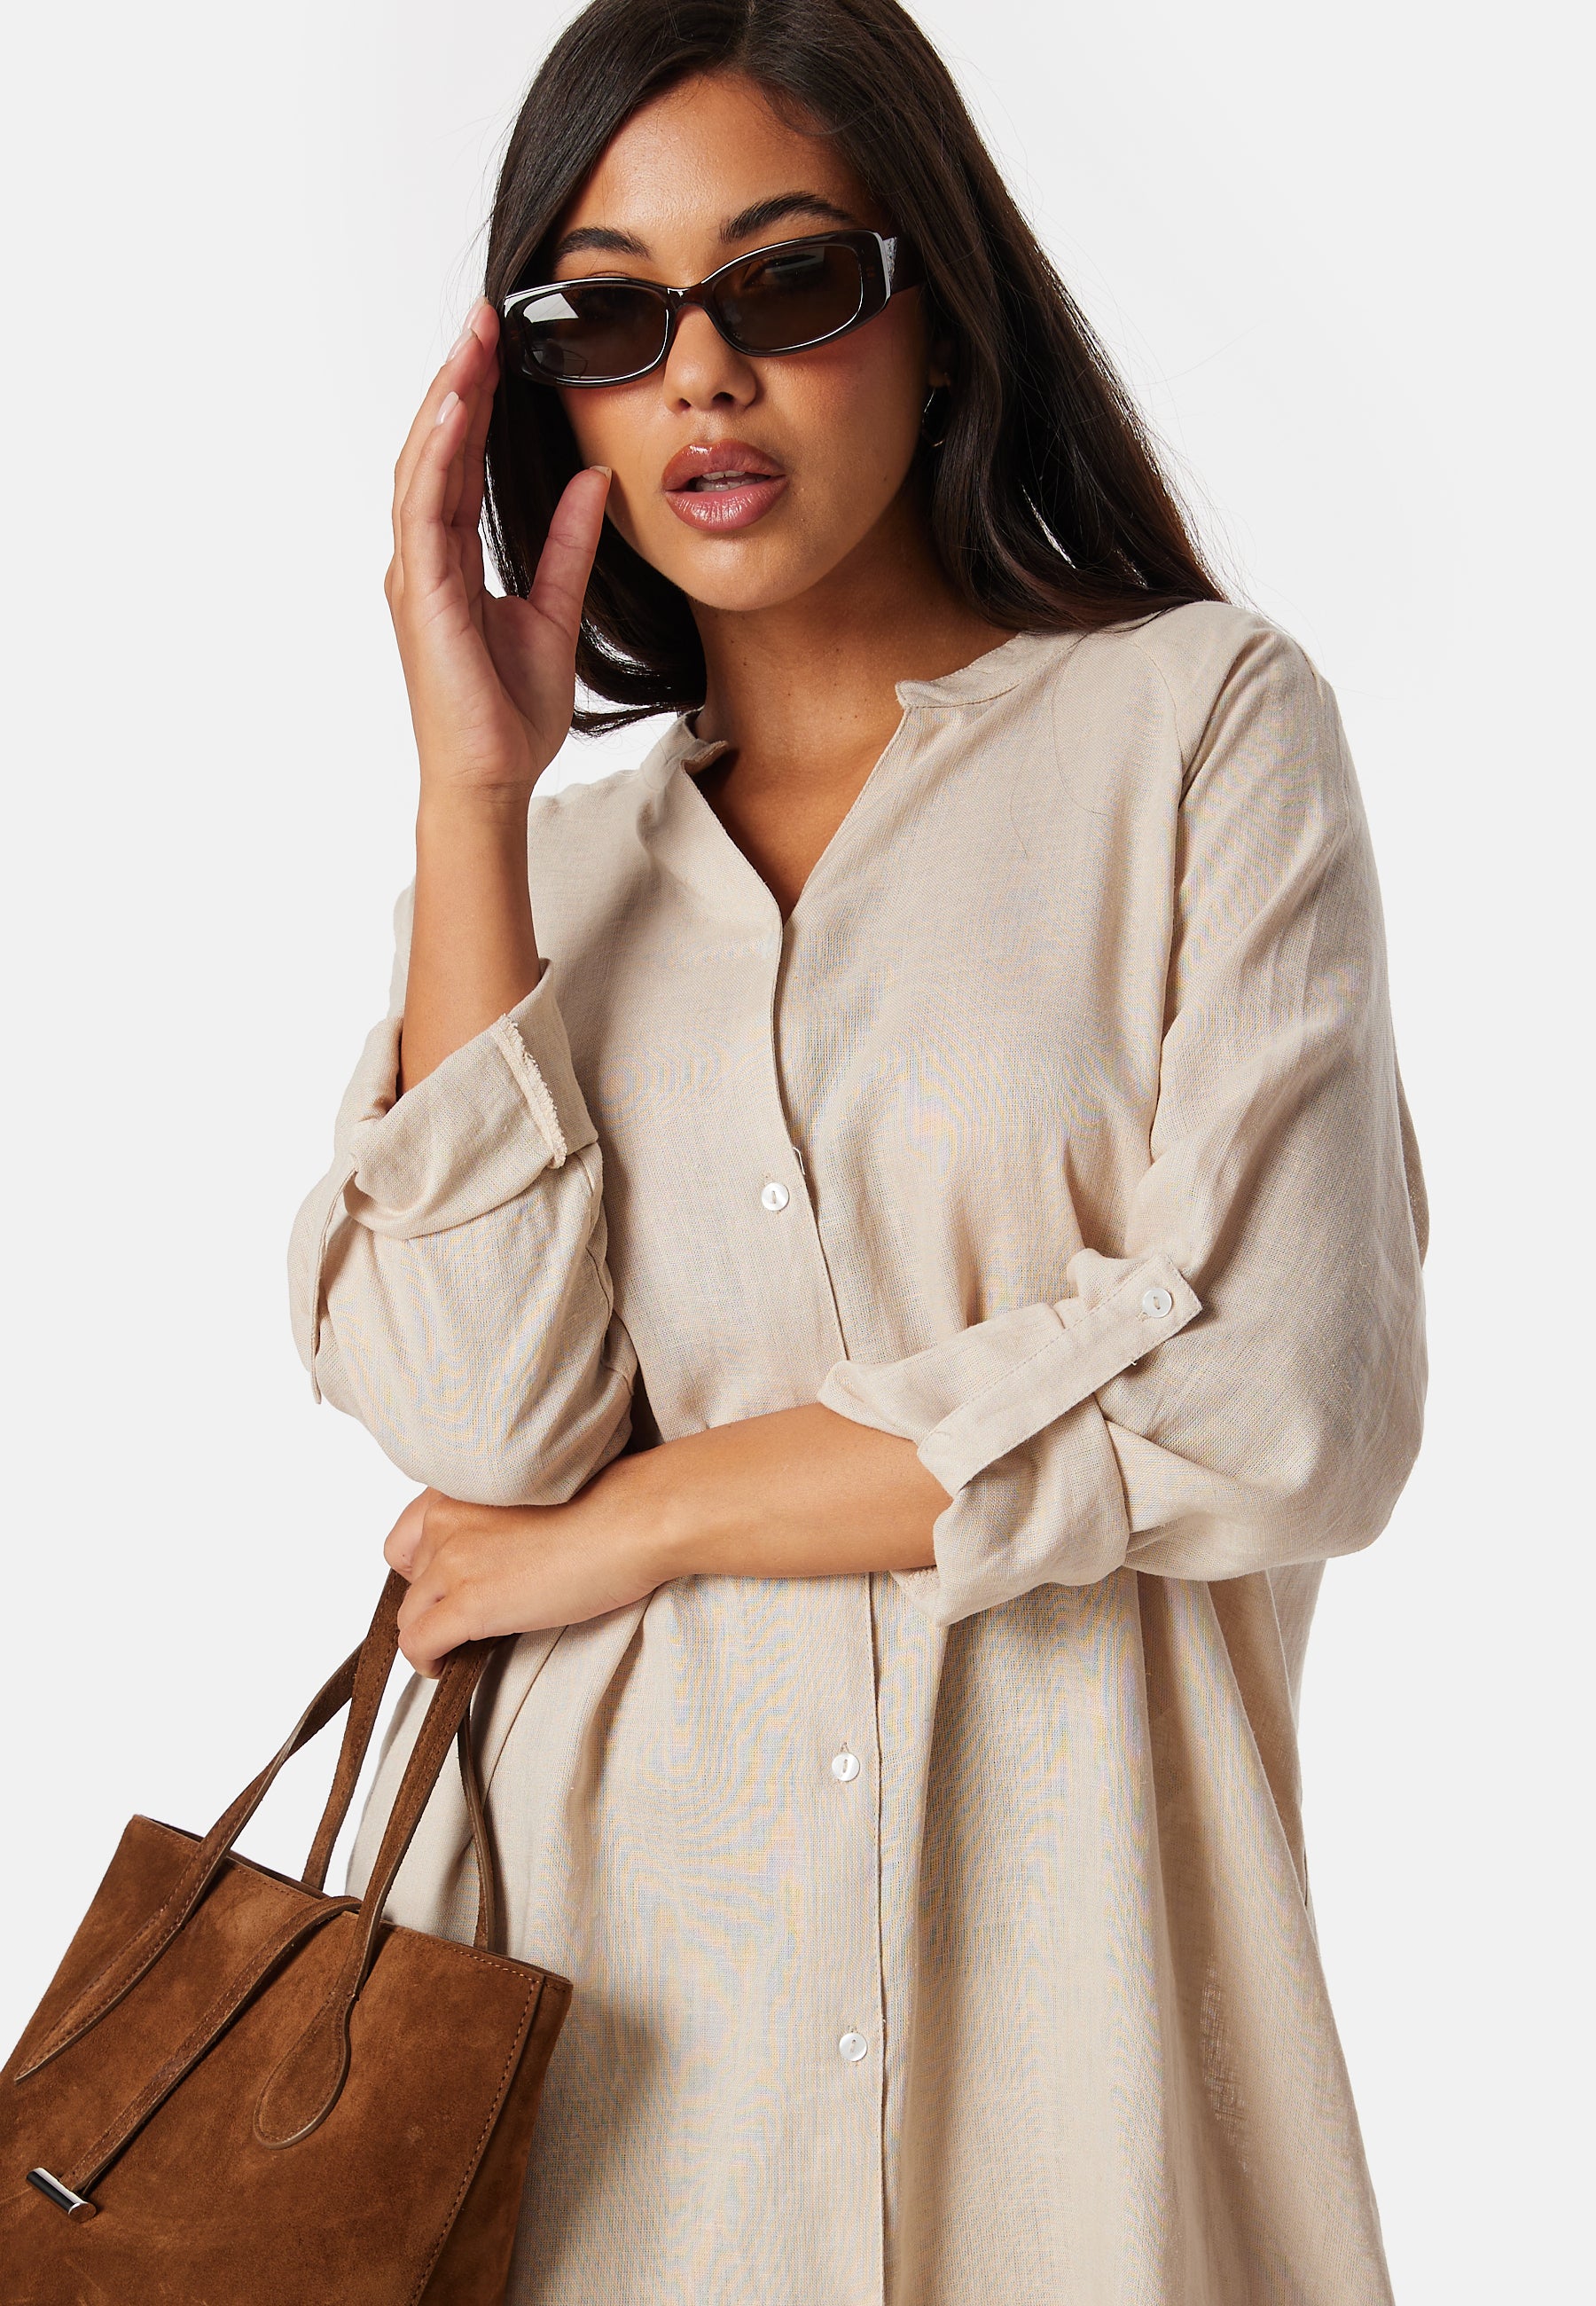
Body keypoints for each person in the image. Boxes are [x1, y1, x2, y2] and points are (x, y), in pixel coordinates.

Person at [287, 1, 1428, 2297]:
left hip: (1084, 2119)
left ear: (937, 304)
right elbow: (480, 1426)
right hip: (628, 2123)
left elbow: (1287, 1399)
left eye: (787, 282)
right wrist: (472, 798)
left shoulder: (1199, 731)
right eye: (609, 318)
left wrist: (644, 1521)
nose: (701, 375)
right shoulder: (531, 896)